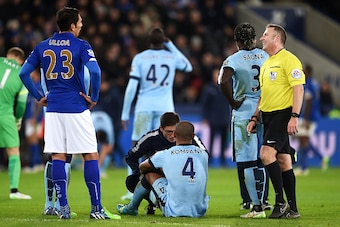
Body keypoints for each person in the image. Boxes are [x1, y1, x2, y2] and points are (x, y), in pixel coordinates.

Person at [19, 7, 119, 220]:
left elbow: (24, 73)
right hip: (76, 106)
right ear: (72, 25)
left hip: (53, 108)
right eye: (80, 22)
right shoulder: (82, 45)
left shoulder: (42, 46)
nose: (82, 25)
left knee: (58, 156)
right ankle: (96, 208)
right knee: (90, 154)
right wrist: (93, 96)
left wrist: (38, 96)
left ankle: (63, 208)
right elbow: (95, 71)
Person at [120, 27, 192, 200]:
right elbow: (188, 67)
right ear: (163, 41)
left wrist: (124, 113)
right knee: (168, 147)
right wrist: (172, 45)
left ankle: (135, 189)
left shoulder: (140, 57)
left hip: (144, 107)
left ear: (149, 41)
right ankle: (170, 185)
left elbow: (131, 88)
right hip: (166, 108)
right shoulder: (171, 56)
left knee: (138, 147)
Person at [247, 23, 305, 219]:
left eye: (265, 35)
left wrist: (294, 116)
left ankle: (280, 202)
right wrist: (255, 117)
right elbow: (263, 95)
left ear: (276, 39)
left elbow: (299, 89)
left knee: (266, 154)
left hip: (283, 114)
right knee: (283, 160)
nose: (262, 38)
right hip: (268, 117)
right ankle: (293, 208)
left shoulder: (290, 60)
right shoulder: (267, 63)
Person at [218, 22, 269, 218]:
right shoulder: (266, 56)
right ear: (254, 39)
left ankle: (255, 207)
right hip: (266, 110)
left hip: (244, 112)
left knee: (247, 161)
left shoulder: (233, 59)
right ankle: (264, 201)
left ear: (236, 41)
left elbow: (222, 81)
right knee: (263, 157)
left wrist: (233, 102)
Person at [116, 112, 207, 215]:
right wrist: (140, 173)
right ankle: (152, 203)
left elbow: (144, 166)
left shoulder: (164, 155)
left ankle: (133, 207)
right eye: (169, 132)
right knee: (134, 180)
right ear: (161, 128)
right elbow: (131, 156)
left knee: (148, 176)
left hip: (177, 179)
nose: (173, 135)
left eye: (175, 132)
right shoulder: (152, 138)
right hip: (166, 179)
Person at [139, 121, 210, 217]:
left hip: (174, 211)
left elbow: (142, 167)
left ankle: (131, 207)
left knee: (149, 173)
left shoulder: (165, 154)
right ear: (193, 136)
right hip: (200, 211)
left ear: (174, 134)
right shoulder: (204, 154)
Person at [0, 47, 31, 200]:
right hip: (5, 115)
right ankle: (14, 191)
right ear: (21, 60)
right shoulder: (21, 73)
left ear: (8, 55)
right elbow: (21, 103)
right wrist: (18, 119)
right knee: (13, 151)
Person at [294, 64, 324, 175]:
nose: (302, 72)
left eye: (304, 71)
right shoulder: (315, 83)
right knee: (303, 139)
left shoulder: (309, 84)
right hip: (313, 116)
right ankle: (319, 158)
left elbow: (309, 103)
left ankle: (304, 167)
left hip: (309, 117)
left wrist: (306, 119)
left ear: (307, 72)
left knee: (303, 140)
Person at [200, 68, 230, 168]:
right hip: (213, 119)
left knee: (223, 142)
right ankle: (210, 161)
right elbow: (205, 105)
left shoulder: (226, 87)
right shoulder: (209, 89)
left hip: (224, 119)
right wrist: (205, 117)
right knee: (211, 141)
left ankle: (223, 161)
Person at [23, 69, 44, 173]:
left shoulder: (38, 86)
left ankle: (35, 164)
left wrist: (35, 118)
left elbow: (39, 104)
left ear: (35, 73)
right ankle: (37, 163)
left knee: (33, 139)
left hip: (34, 118)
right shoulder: (31, 86)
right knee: (31, 140)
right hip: (30, 117)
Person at [91, 110, 114, 178]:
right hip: (93, 118)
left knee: (108, 151)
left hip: (106, 118)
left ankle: (101, 170)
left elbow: (109, 148)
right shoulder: (91, 125)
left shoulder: (109, 131)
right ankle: (92, 169)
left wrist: (98, 166)